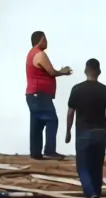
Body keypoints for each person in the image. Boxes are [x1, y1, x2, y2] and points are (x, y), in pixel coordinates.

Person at [64, 59, 106, 198]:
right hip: (100, 134)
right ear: (99, 72)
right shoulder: (105, 90)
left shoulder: (76, 90)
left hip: (83, 134)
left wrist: (68, 130)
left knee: (83, 167)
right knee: (97, 168)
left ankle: (90, 194)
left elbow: (70, 112)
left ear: (86, 70)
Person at [25, 30, 72, 160]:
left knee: (37, 123)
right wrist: (64, 72)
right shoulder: (40, 54)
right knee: (52, 120)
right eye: (45, 39)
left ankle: (35, 152)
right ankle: (49, 150)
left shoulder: (31, 54)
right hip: (40, 94)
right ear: (40, 40)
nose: (47, 42)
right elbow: (51, 72)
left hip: (32, 94)